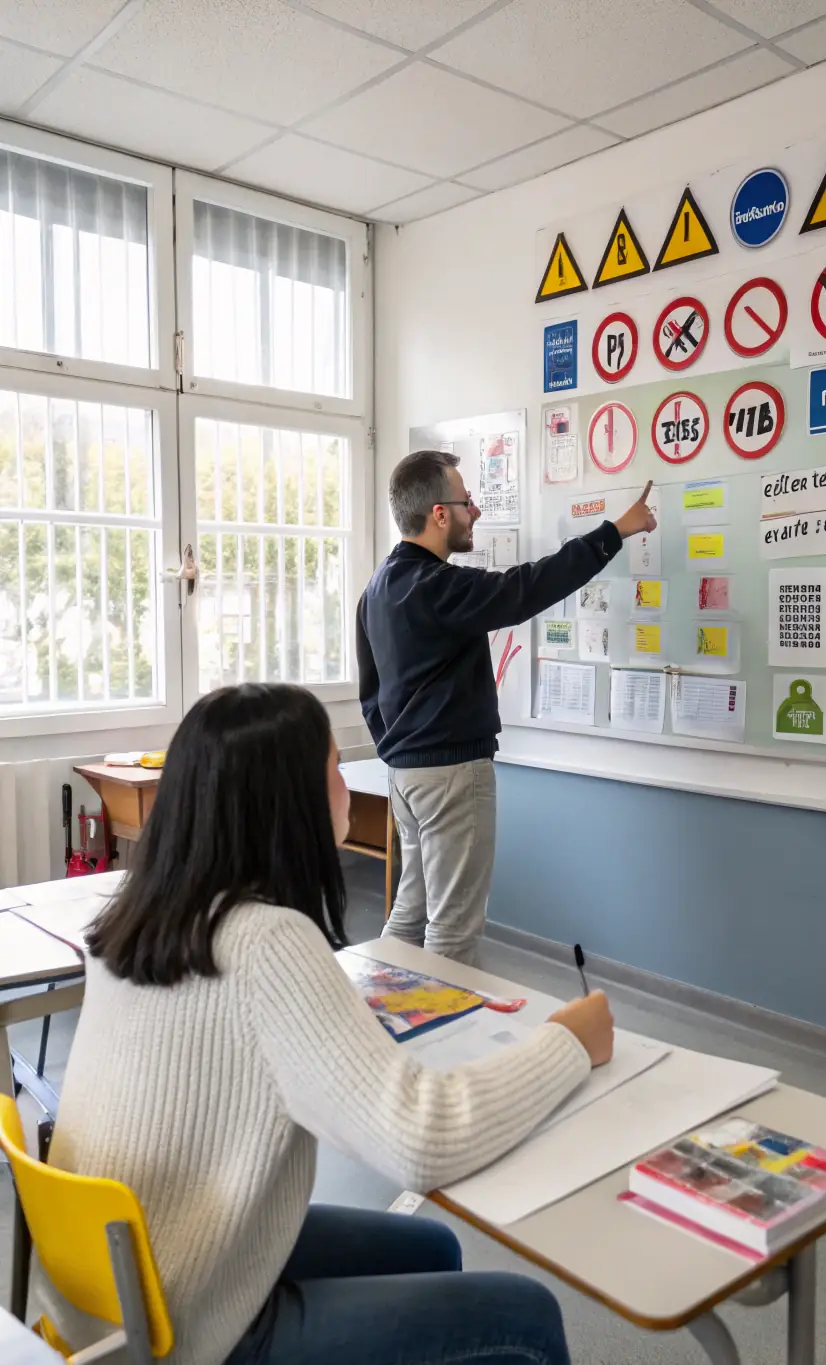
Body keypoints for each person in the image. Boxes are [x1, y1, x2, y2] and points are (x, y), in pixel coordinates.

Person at [42, 683, 614, 1365]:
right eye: (335, 767)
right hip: (193, 1329)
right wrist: (568, 1041)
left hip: (116, 1288)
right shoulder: (266, 941)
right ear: (288, 802)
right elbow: (422, 1140)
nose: (346, 784)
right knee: (527, 1314)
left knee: (432, 1247)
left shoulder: (140, 914)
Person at [357, 450, 656, 962]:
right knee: (452, 930)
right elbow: (525, 589)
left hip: (406, 773)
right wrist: (615, 531)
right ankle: (443, 1039)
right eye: (467, 501)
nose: (476, 511)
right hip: (450, 772)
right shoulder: (437, 586)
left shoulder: (379, 587)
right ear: (439, 514)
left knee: (411, 911)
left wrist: (395, 747)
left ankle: (385, 1024)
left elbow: (370, 690)